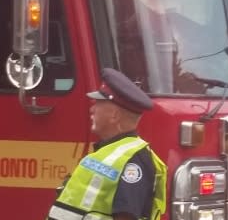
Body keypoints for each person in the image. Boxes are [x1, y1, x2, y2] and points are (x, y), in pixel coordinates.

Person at [47, 68, 167, 220]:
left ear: (114, 115)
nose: (92, 109)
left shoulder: (133, 161)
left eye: (98, 104)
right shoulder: (109, 152)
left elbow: (126, 216)